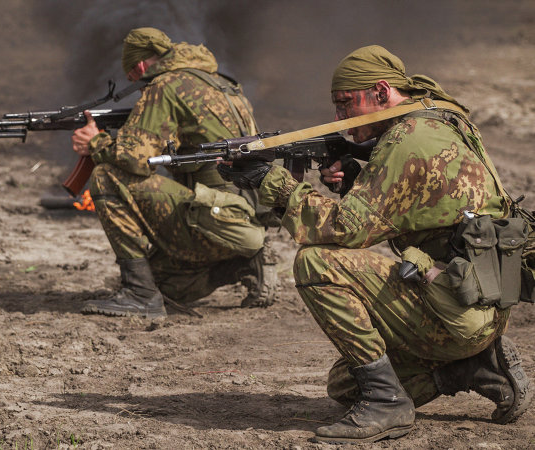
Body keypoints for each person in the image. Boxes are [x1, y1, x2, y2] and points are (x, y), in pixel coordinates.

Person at [218, 45, 532, 444]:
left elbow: (347, 229)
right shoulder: (436, 118)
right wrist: (353, 178)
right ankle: (471, 368)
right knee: (344, 386)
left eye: (345, 104)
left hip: (456, 308)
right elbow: (413, 208)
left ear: (382, 93)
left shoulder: (408, 140)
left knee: (316, 263)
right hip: (470, 298)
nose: (339, 119)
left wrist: (272, 183)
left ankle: (388, 404)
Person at [71, 27, 277, 319]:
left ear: (141, 65)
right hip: (242, 218)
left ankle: (140, 295)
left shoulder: (164, 86)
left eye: (134, 78)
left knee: (105, 175)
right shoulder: (223, 85)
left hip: (213, 220)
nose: (138, 85)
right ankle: (242, 262)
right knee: (164, 285)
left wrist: (95, 142)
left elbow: (133, 158)